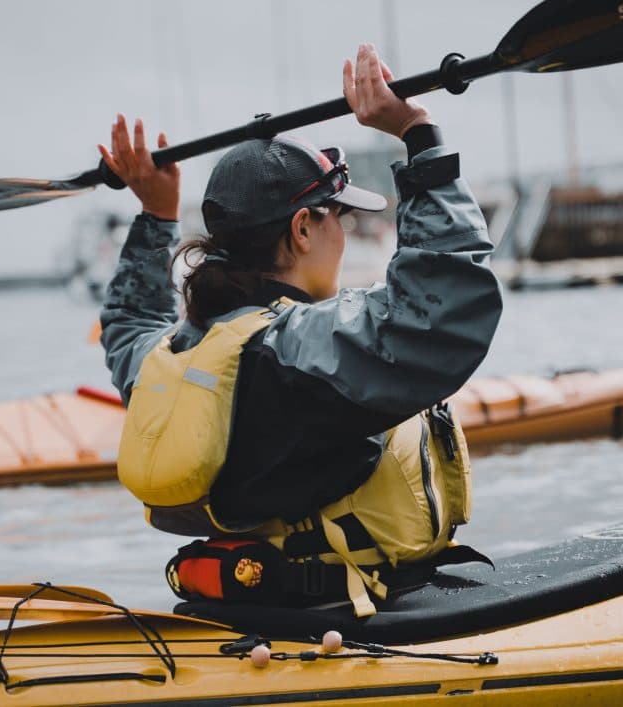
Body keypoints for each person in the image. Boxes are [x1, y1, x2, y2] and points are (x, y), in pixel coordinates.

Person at [99, 44, 502, 615]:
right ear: (303, 229)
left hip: (246, 607)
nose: (343, 234)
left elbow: (128, 324)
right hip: (347, 620)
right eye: (338, 216)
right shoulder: (298, 348)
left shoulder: (168, 351)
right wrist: (419, 135)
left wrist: (156, 216)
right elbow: (443, 314)